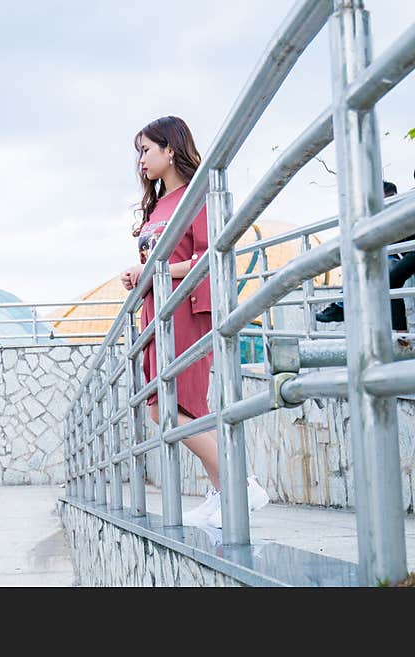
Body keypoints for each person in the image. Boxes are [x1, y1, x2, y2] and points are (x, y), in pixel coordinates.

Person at [121, 116, 269, 528]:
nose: (141, 161)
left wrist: (158, 273)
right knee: (182, 406)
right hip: (160, 311)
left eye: (146, 150)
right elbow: (160, 261)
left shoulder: (197, 194)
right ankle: (222, 492)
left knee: (168, 408)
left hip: (185, 310)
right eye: (138, 153)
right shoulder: (159, 205)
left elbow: (208, 256)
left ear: (171, 149)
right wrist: (141, 274)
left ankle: (241, 483)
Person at [316, 180, 412, 329]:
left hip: (409, 252)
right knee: (364, 263)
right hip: (399, 254)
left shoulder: (404, 207)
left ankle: (401, 333)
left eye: (390, 198)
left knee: (390, 278)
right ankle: (341, 305)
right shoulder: (383, 217)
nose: (388, 204)